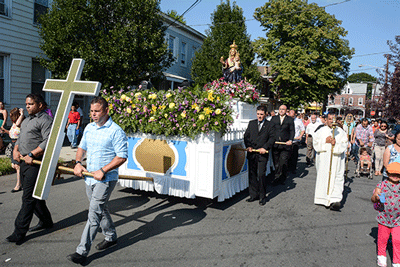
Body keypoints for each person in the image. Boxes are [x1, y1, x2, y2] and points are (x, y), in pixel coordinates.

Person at [67, 96, 128, 264]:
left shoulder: (115, 131)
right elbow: (82, 147)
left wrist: (103, 170)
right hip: (89, 178)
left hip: (105, 179)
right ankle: (111, 236)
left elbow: (122, 156)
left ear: (106, 111)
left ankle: (81, 252)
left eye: (97, 111)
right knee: (101, 209)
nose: (93, 114)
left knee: (93, 213)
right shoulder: (89, 127)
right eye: (91, 111)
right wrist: (78, 163)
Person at [6, 94, 53, 243]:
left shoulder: (45, 120)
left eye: (30, 104)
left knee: (28, 198)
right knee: (35, 196)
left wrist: (32, 154)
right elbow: (20, 138)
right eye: (26, 104)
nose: (27, 106)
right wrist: (16, 151)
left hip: (35, 163)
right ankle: (46, 221)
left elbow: (48, 141)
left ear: (39, 105)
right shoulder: (26, 120)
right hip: (23, 161)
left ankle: (19, 232)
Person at [313, 113, 348, 210]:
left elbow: (344, 144)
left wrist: (335, 144)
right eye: (329, 119)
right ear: (326, 120)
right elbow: (315, 144)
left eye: (333, 119)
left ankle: (335, 199)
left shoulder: (341, 132)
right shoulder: (320, 131)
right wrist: (325, 141)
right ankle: (322, 198)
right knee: (324, 177)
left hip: (336, 160)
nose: (331, 121)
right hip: (324, 159)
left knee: (337, 177)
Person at [244, 105, 275, 206]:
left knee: (261, 174)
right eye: (258, 114)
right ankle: (253, 195)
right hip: (252, 153)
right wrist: (248, 146)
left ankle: (262, 196)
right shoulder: (252, 123)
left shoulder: (270, 125)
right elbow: (246, 136)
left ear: (265, 114)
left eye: (261, 114)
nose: (259, 116)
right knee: (252, 174)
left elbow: (272, 138)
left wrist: (265, 148)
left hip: (262, 154)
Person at [371, 162, 400, 267]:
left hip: (398, 220)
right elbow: (373, 200)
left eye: (398, 175)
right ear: (387, 173)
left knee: (398, 241)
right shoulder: (381, 185)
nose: (395, 177)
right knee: (382, 239)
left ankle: (397, 261)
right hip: (383, 218)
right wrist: (376, 195)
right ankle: (381, 255)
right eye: (392, 174)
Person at [270, 105, 294, 185]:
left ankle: (283, 178)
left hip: (285, 144)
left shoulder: (290, 119)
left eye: (283, 109)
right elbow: (270, 130)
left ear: (286, 110)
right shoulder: (274, 119)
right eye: (280, 109)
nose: (281, 111)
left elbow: (292, 131)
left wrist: (290, 140)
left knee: (283, 162)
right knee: (276, 163)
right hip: (276, 144)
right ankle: (277, 178)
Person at [1, 107, 25, 192]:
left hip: (19, 145)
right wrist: (5, 131)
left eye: (12, 116)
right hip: (13, 144)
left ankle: (18, 185)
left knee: (17, 166)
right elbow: (12, 133)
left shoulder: (21, 121)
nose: (10, 118)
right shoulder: (14, 123)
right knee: (14, 165)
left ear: (16, 116)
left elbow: (18, 125)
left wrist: (22, 114)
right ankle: (24, 180)